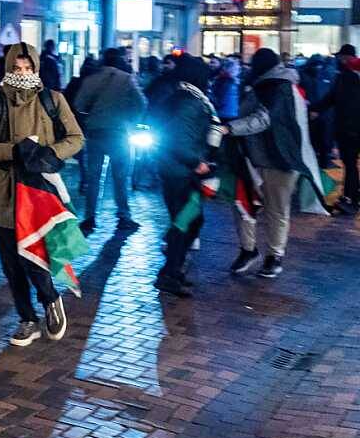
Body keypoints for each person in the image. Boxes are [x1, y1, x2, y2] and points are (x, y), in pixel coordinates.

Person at [0, 42, 84, 346]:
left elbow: (75, 138)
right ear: (8, 69)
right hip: (4, 194)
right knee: (11, 262)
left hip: (40, 192)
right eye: (16, 69)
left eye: (27, 68)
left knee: (37, 256)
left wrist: (50, 153)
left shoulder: (52, 100)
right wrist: (14, 151)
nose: (22, 73)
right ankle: (26, 318)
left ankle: (50, 299)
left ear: (36, 68)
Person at [221, 48, 308, 278]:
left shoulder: (280, 87)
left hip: (280, 159)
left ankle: (274, 256)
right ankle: (248, 250)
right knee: (243, 206)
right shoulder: (263, 85)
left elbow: (264, 118)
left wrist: (231, 128)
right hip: (252, 156)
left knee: (276, 210)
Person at [152, 55, 222, 297]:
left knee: (189, 220)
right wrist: (196, 162)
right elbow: (177, 139)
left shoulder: (185, 98)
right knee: (185, 222)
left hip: (177, 169)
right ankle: (170, 273)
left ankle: (172, 270)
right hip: (181, 171)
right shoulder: (189, 102)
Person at [74, 47, 147, 234]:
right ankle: (124, 217)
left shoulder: (90, 79)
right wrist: (131, 120)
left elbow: (79, 105)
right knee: (121, 177)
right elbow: (141, 103)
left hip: (95, 133)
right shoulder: (126, 78)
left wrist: (92, 115)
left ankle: (89, 218)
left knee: (93, 178)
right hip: (119, 133)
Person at [313, 44, 360, 214]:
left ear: (346, 57)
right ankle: (352, 194)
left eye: (340, 56)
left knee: (350, 163)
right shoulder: (345, 75)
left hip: (350, 129)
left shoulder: (349, 77)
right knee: (350, 163)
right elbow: (332, 98)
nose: (338, 59)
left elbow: (345, 103)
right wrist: (316, 109)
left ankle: (350, 198)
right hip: (350, 127)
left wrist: (316, 109)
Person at [64, 56, 99, 194]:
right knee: (90, 152)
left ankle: (86, 179)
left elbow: (66, 100)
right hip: (90, 122)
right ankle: (87, 180)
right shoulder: (96, 84)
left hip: (78, 121)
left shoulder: (76, 82)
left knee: (82, 153)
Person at [210, 57, 241, 121]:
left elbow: (218, 102)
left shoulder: (224, 81)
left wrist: (208, 93)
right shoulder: (235, 81)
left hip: (222, 115)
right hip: (233, 114)